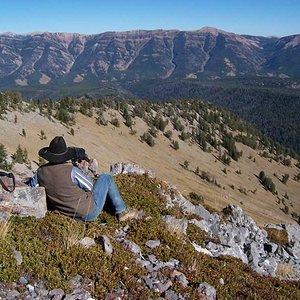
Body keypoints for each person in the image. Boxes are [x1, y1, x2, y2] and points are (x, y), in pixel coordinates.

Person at [28, 136, 143, 222]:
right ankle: (121, 211)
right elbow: (90, 186)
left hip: (62, 212)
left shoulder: (40, 171)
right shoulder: (71, 171)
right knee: (105, 178)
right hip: (87, 213)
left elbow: (33, 188)